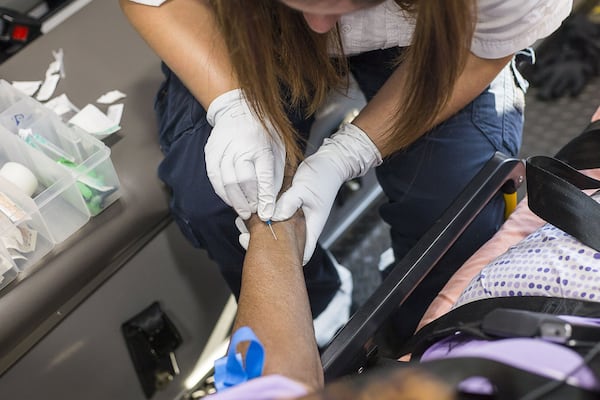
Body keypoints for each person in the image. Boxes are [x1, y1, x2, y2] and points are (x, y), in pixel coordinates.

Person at [119, 0, 573, 345]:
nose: (321, 26)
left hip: (437, 32)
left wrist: (350, 152)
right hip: (252, 23)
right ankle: (321, 310)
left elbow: (481, 48)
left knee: (453, 211)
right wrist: (232, 105)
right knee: (217, 197)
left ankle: (415, 329)